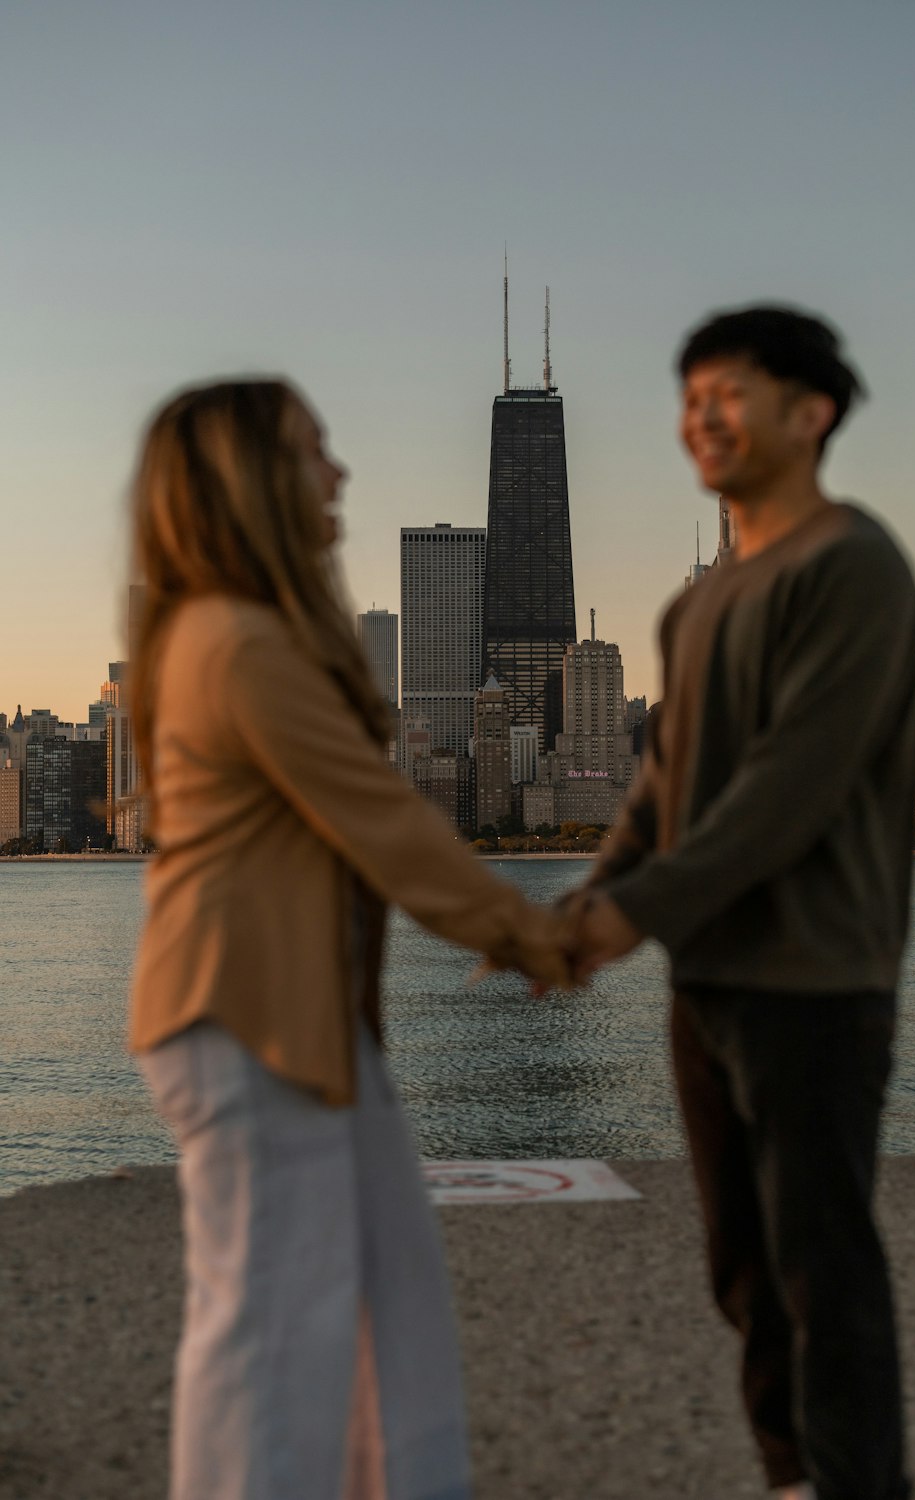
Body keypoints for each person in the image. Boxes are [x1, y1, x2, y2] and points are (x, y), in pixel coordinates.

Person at [126, 378, 572, 1500]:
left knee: (393, 1300)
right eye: (314, 452)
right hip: (245, 1018)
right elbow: (378, 821)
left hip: (309, 1021)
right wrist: (530, 934)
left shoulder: (240, 632)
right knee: (272, 1329)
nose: (339, 473)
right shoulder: (234, 639)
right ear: (251, 481)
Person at [567, 307, 915, 1500]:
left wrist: (634, 913)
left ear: (809, 413)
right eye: (689, 398)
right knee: (741, 1270)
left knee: (824, 1266)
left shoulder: (851, 568)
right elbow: (663, 784)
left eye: (728, 392)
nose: (701, 419)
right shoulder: (698, 603)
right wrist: (588, 904)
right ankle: (789, 1477)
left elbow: (790, 789)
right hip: (708, 983)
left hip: (817, 982)